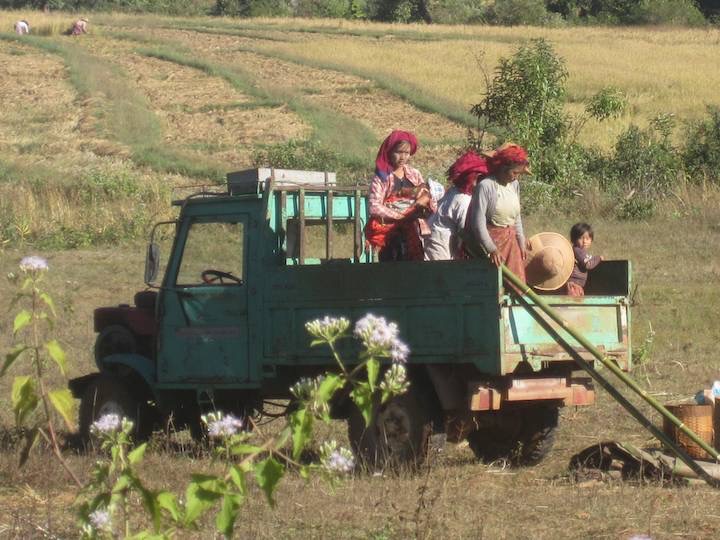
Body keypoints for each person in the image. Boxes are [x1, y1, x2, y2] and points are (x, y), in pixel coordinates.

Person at [365, 130, 436, 261]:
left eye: (407, 153)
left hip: (413, 231)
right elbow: (374, 206)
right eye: (399, 152)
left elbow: (426, 195)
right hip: (390, 234)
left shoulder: (414, 174)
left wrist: (425, 200)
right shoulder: (382, 177)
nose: (403, 157)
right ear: (390, 151)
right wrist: (401, 216)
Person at [465, 142, 531, 281]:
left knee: (516, 284)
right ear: (502, 168)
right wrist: (491, 249)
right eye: (514, 172)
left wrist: (521, 240)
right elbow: (478, 222)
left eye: (519, 174)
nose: (516, 177)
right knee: (494, 284)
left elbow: (516, 217)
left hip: (510, 242)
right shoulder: (486, 186)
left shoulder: (514, 185)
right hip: (490, 245)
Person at [425, 150, 488, 261]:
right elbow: (465, 231)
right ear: (471, 178)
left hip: (435, 237)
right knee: (440, 274)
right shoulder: (463, 200)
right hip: (440, 242)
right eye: (478, 179)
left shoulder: (454, 191)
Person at [565, 222, 604, 296]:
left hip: (576, 284)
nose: (584, 241)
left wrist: (593, 258)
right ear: (574, 240)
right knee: (574, 305)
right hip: (574, 285)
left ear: (591, 240)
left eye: (587, 238)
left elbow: (587, 259)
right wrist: (598, 258)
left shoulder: (581, 252)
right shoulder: (578, 251)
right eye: (581, 238)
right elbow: (588, 265)